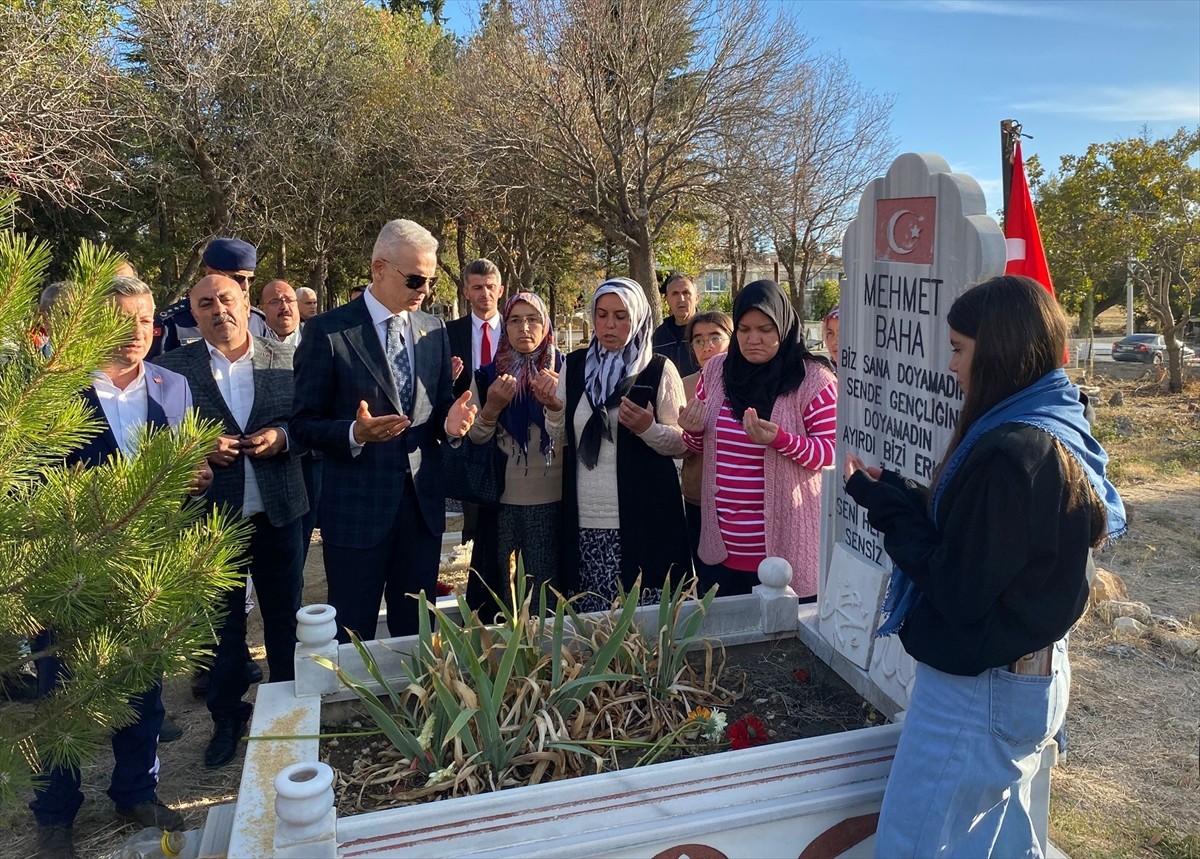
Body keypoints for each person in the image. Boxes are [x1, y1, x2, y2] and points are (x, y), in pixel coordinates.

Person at [843, 275, 1125, 858]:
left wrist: (893, 516)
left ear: (996, 353)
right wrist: (895, 493)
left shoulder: (1014, 454)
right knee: (998, 844)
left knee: (911, 845)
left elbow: (958, 586)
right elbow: (986, 540)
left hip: (980, 688)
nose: (951, 365)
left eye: (958, 348)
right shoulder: (1053, 423)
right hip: (1025, 673)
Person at [31, 277, 209, 859]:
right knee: (60, 695)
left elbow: (184, 468)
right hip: (72, 573)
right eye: (122, 321)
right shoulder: (53, 394)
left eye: (145, 320)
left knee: (143, 684)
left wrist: (196, 478)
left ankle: (136, 788)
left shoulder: (172, 385)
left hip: (148, 568)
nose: (136, 333)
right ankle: (55, 812)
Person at [292, 219, 477, 642]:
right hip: (356, 512)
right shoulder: (328, 332)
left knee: (415, 634)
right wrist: (356, 434)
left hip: (420, 510)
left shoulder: (433, 331)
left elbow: (441, 406)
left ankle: (417, 707)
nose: (424, 291)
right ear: (379, 268)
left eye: (429, 281)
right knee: (352, 631)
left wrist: (451, 425)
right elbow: (302, 424)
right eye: (414, 279)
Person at [155, 274, 308, 769]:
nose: (218, 309)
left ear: (246, 304)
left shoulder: (286, 359)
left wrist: (282, 437)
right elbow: (158, 443)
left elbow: (309, 424)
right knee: (222, 629)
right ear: (193, 314)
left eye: (226, 299)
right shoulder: (171, 371)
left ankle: (288, 715)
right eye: (205, 303)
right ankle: (227, 718)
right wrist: (195, 449)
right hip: (212, 523)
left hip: (279, 512)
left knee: (285, 619)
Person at [537, 278, 690, 613]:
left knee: (643, 622)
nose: (609, 325)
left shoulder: (657, 370)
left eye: (621, 316)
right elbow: (563, 438)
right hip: (586, 519)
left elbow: (682, 443)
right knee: (592, 622)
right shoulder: (575, 367)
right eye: (602, 314)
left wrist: (648, 429)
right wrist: (552, 409)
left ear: (637, 318)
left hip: (644, 517)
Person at [677, 280, 836, 600]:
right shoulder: (718, 371)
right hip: (724, 549)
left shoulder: (813, 380)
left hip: (784, 552)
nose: (753, 339)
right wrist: (692, 430)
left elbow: (831, 452)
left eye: (765, 329)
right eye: (744, 329)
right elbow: (699, 447)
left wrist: (781, 440)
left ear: (784, 325)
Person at [464, 292, 564, 619]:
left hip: (556, 500)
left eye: (533, 318)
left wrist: (554, 404)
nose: (524, 327)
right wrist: (492, 407)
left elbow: (576, 434)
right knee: (509, 595)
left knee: (551, 595)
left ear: (546, 324)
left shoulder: (566, 370)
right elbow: (476, 437)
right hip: (503, 501)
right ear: (504, 326)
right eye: (515, 320)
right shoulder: (487, 375)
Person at [447, 259, 505, 547]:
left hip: (508, 426)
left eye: (491, 287)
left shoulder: (516, 328)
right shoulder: (447, 333)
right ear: (466, 291)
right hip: (468, 425)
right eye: (478, 287)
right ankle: (472, 539)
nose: (485, 293)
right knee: (475, 509)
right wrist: (447, 377)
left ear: (501, 290)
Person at [150, 238, 270, 356]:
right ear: (210, 273)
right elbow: (157, 371)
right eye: (238, 278)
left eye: (250, 280)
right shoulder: (173, 321)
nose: (245, 286)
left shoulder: (256, 320)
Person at [678, 311, 732, 572]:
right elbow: (679, 443)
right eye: (698, 340)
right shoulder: (684, 385)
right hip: (697, 492)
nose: (707, 346)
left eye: (715, 337)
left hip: (736, 498)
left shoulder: (744, 382)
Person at [651, 273, 701, 376]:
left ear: (696, 298)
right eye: (675, 294)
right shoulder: (660, 335)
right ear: (667, 300)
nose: (681, 299)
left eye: (686, 293)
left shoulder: (709, 330)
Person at [259, 279, 302, 345]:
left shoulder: (315, 337)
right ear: (261, 309)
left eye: (289, 300)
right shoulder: (250, 342)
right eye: (275, 301)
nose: (284, 307)